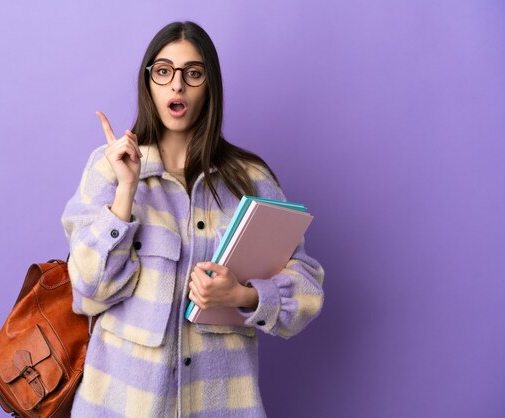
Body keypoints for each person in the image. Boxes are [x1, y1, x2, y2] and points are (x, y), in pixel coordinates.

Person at [61, 21, 324, 418]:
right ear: (148, 82)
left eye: (193, 73)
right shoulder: (110, 168)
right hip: (120, 405)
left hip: (222, 404)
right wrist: (126, 191)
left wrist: (243, 296)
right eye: (164, 71)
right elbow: (88, 288)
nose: (177, 86)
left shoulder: (251, 179)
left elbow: (306, 287)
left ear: (209, 86)